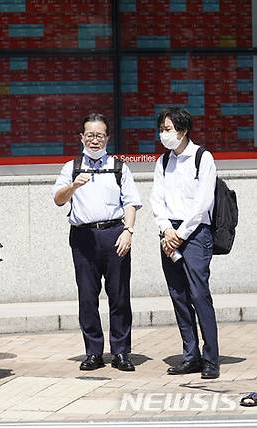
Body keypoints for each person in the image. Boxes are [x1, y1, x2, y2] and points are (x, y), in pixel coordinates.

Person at [52, 113, 142, 372]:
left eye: (99, 135)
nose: (94, 140)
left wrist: (129, 231)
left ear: (107, 138)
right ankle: (93, 352)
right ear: (81, 137)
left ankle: (121, 352)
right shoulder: (71, 167)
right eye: (89, 135)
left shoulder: (119, 167)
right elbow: (58, 199)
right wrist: (73, 186)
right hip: (83, 237)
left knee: (120, 295)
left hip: (115, 234)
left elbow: (132, 202)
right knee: (87, 297)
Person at [150, 107, 220, 379]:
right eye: (162, 129)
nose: (163, 134)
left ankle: (211, 358)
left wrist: (182, 233)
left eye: (168, 129)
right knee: (178, 296)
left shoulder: (203, 158)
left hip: (195, 234)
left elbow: (204, 202)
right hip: (169, 233)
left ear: (183, 130)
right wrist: (167, 229)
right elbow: (157, 199)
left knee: (199, 294)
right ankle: (190, 356)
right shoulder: (163, 161)